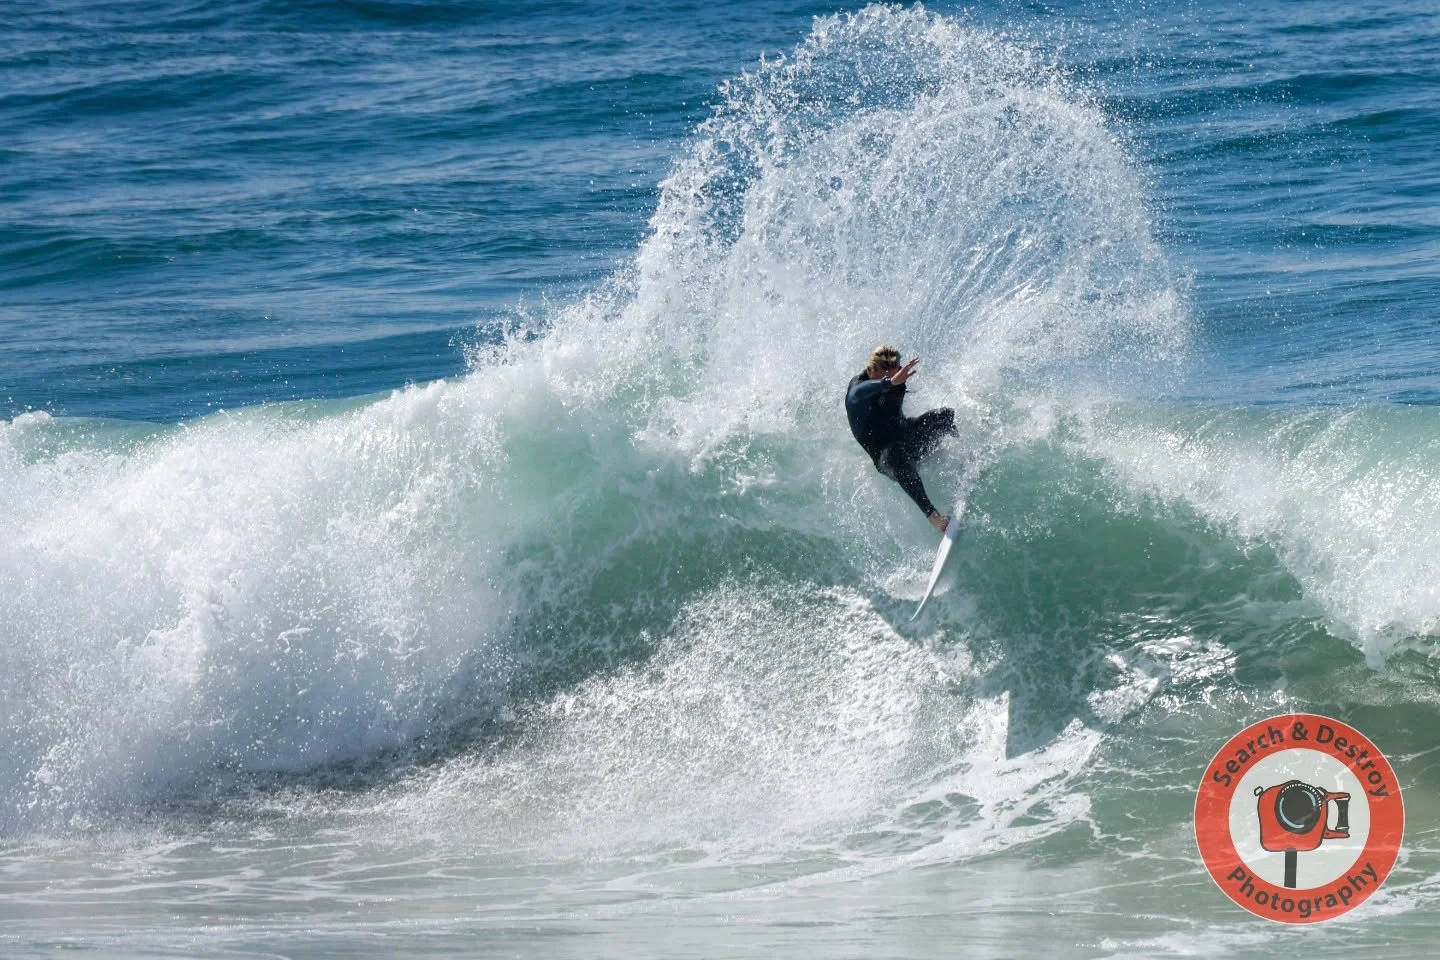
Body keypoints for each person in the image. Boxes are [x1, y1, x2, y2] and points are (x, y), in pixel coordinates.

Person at [845, 345, 957, 533]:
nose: (888, 381)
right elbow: (859, 391)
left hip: (909, 437)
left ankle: (962, 452)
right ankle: (934, 517)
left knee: (945, 415)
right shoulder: (857, 392)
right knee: (897, 455)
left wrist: (895, 380)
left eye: (893, 375)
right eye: (882, 376)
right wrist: (889, 382)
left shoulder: (897, 374)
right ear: (870, 370)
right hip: (888, 457)